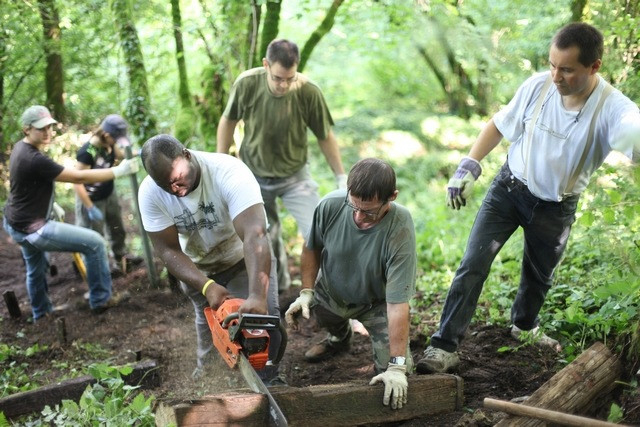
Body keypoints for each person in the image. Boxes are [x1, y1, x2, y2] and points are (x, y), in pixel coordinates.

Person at [417, 23, 640, 375]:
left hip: (555, 208)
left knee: (539, 276)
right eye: (552, 65)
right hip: (508, 190)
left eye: (567, 69)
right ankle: (444, 346)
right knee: (473, 263)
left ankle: (524, 327)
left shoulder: (612, 108)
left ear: (594, 66)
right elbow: (499, 124)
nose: (556, 76)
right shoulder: (538, 86)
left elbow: (633, 129)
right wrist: (469, 164)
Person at [138, 134, 283, 383]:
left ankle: (269, 378)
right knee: (208, 322)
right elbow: (168, 250)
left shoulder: (228, 172)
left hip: (243, 259)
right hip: (197, 267)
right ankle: (207, 378)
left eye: (176, 179)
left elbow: (254, 234)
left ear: (186, 154)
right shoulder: (150, 192)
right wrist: (206, 286)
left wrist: (257, 296)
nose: (174, 189)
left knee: (262, 321)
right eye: (165, 186)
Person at [285, 158, 417, 409]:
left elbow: (398, 303)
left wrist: (397, 366)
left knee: (396, 375)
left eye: (369, 211)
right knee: (319, 311)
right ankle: (340, 338)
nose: (358, 216)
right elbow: (311, 247)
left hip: (376, 304)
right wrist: (306, 292)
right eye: (353, 206)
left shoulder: (400, 227)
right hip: (331, 292)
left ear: (392, 197)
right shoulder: (331, 205)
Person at [216, 38, 347, 293]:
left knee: (317, 232)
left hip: (296, 177)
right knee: (264, 236)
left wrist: (341, 175)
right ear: (266, 65)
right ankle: (280, 289)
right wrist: (220, 163)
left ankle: (327, 294)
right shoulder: (247, 84)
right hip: (254, 175)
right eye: (277, 78)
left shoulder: (308, 91)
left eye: (289, 78)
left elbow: (325, 135)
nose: (283, 85)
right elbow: (228, 121)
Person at [3, 105, 139, 321]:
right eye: (41, 128)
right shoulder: (34, 158)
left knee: (36, 269)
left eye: (49, 127)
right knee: (95, 243)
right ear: (26, 129)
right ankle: (101, 299)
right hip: (33, 228)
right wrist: (117, 171)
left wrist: (51, 205)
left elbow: (25, 187)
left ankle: (41, 313)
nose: (47, 132)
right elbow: (78, 177)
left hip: (16, 222)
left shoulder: (20, 148)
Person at [74, 114, 143, 276]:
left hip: (108, 193)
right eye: (116, 138)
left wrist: (138, 153)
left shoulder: (109, 145)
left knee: (116, 228)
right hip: (91, 199)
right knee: (93, 236)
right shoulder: (87, 153)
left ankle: (121, 258)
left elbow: (119, 154)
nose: (117, 142)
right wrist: (89, 207)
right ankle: (95, 270)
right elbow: (77, 182)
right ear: (106, 135)